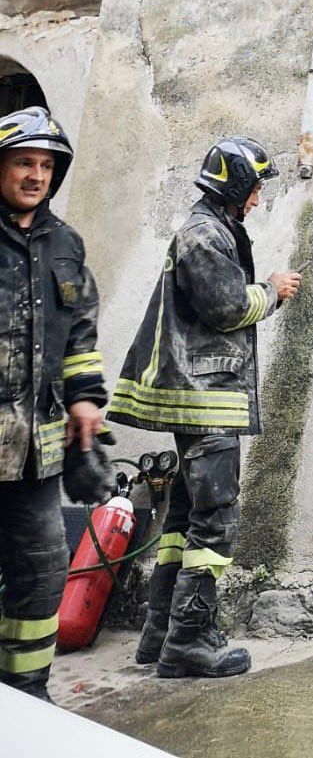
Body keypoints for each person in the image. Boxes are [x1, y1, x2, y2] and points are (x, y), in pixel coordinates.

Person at [109, 137, 301, 678]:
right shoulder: (204, 234)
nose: (259, 201)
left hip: (199, 397)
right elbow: (226, 306)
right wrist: (273, 290)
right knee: (214, 522)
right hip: (206, 400)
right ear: (236, 185)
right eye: (256, 189)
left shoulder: (211, 229)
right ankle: (189, 639)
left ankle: (160, 634)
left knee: (186, 518)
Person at [0, 106, 111, 701]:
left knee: (42, 575)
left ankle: (26, 693)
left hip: (34, 456)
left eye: (46, 166)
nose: (35, 175)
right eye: (23, 162)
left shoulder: (65, 243)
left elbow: (81, 335)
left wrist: (87, 401)